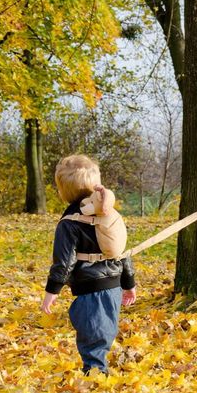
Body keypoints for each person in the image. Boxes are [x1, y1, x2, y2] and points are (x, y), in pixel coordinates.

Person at [40, 154, 137, 374]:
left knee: (92, 339)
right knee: (102, 335)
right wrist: (128, 282)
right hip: (113, 287)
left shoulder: (69, 222)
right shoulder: (109, 214)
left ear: (64, 190)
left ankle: (95, 380)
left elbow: (63, 262)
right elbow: (122, 251)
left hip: (90, 291)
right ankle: (99, 373)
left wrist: (52, 290)